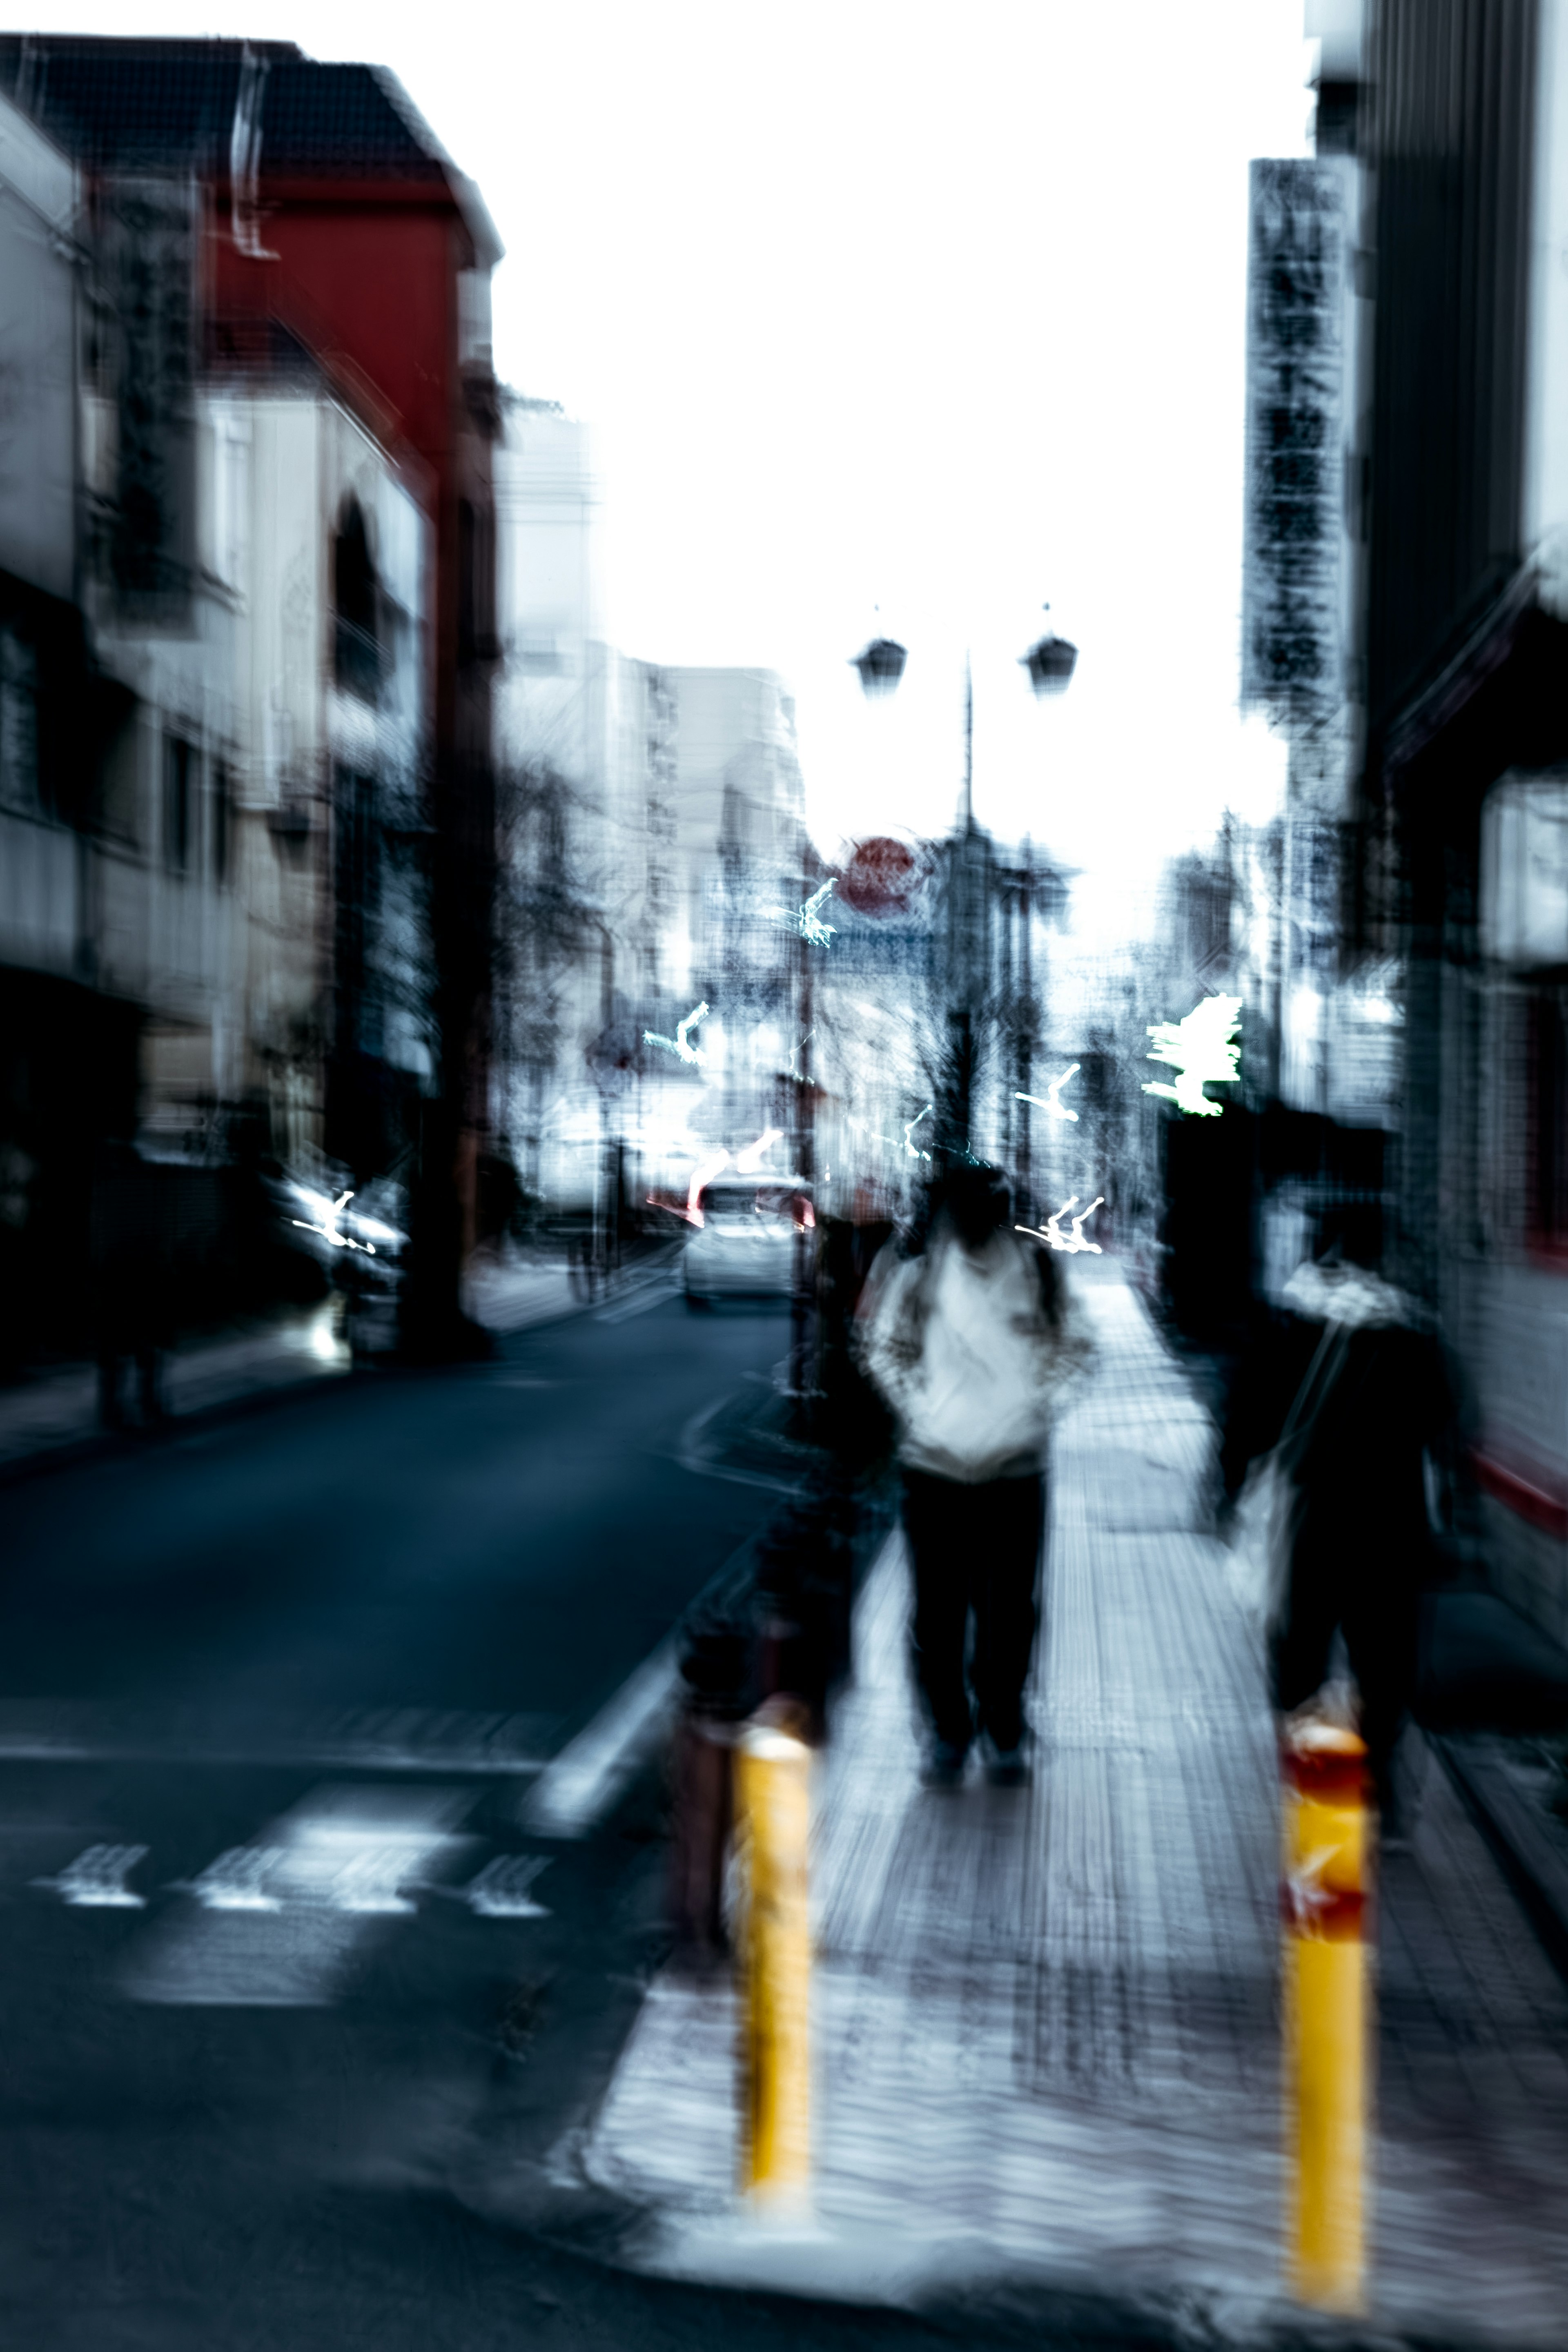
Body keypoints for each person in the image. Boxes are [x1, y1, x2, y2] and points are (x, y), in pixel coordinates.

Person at [855, 1161, 1094, 1787]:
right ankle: (948, 1734)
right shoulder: (919, 1278)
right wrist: (921, 1409)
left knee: (1010, 1613)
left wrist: (1040, 1405)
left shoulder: (1038, 1274)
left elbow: (1078, 1346)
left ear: (1001, 1210)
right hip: (934, 1468)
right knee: (938, 1613)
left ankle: (1005, 1728)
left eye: (984, 1208)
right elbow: (883, 1348)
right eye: (961, 1210)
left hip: (1015, 1468)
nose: (970, 1222)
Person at [1224, 1219, 1459, 1838]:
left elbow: (1246, 1415)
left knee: (1301, 1653)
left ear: (1316, 1260)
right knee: (1384, 1662)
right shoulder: (1411, 1332)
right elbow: (1442, 1419)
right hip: (1391, 1524)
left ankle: (1322, 1783)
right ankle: (1376, 1790)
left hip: (1308, 1523)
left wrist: (1230, 1490)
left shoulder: (1285, 1323)